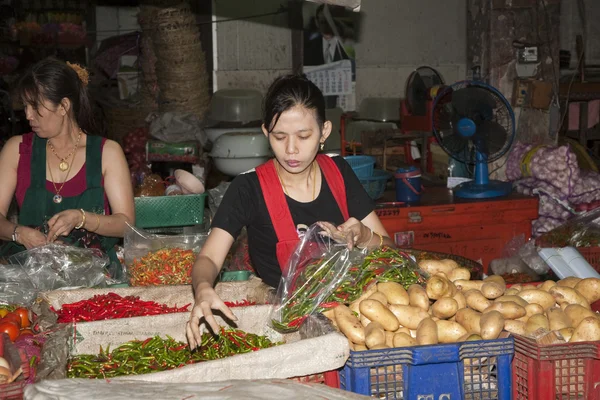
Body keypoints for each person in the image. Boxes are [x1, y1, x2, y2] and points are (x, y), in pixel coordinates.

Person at [186, 74, 393, 348]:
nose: (291, 150)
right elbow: (209, 259)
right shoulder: (248, 189)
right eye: (279, 137)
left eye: (304, 136)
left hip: (356, 321)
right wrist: (203, 290)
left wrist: (365, 236)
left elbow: (391, 250)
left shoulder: (340, 175)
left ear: (325, 132)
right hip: (288, 332)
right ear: (265, 133)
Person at [0, 57, 135, 268]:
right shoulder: (17, 150)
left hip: (94, 276)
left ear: (63, 106)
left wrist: (81, 218)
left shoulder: (107, 153)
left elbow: (125, 224)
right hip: (31, 274)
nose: (28, 115)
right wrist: (18, 233)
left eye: (35, 107)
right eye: (25, 106)